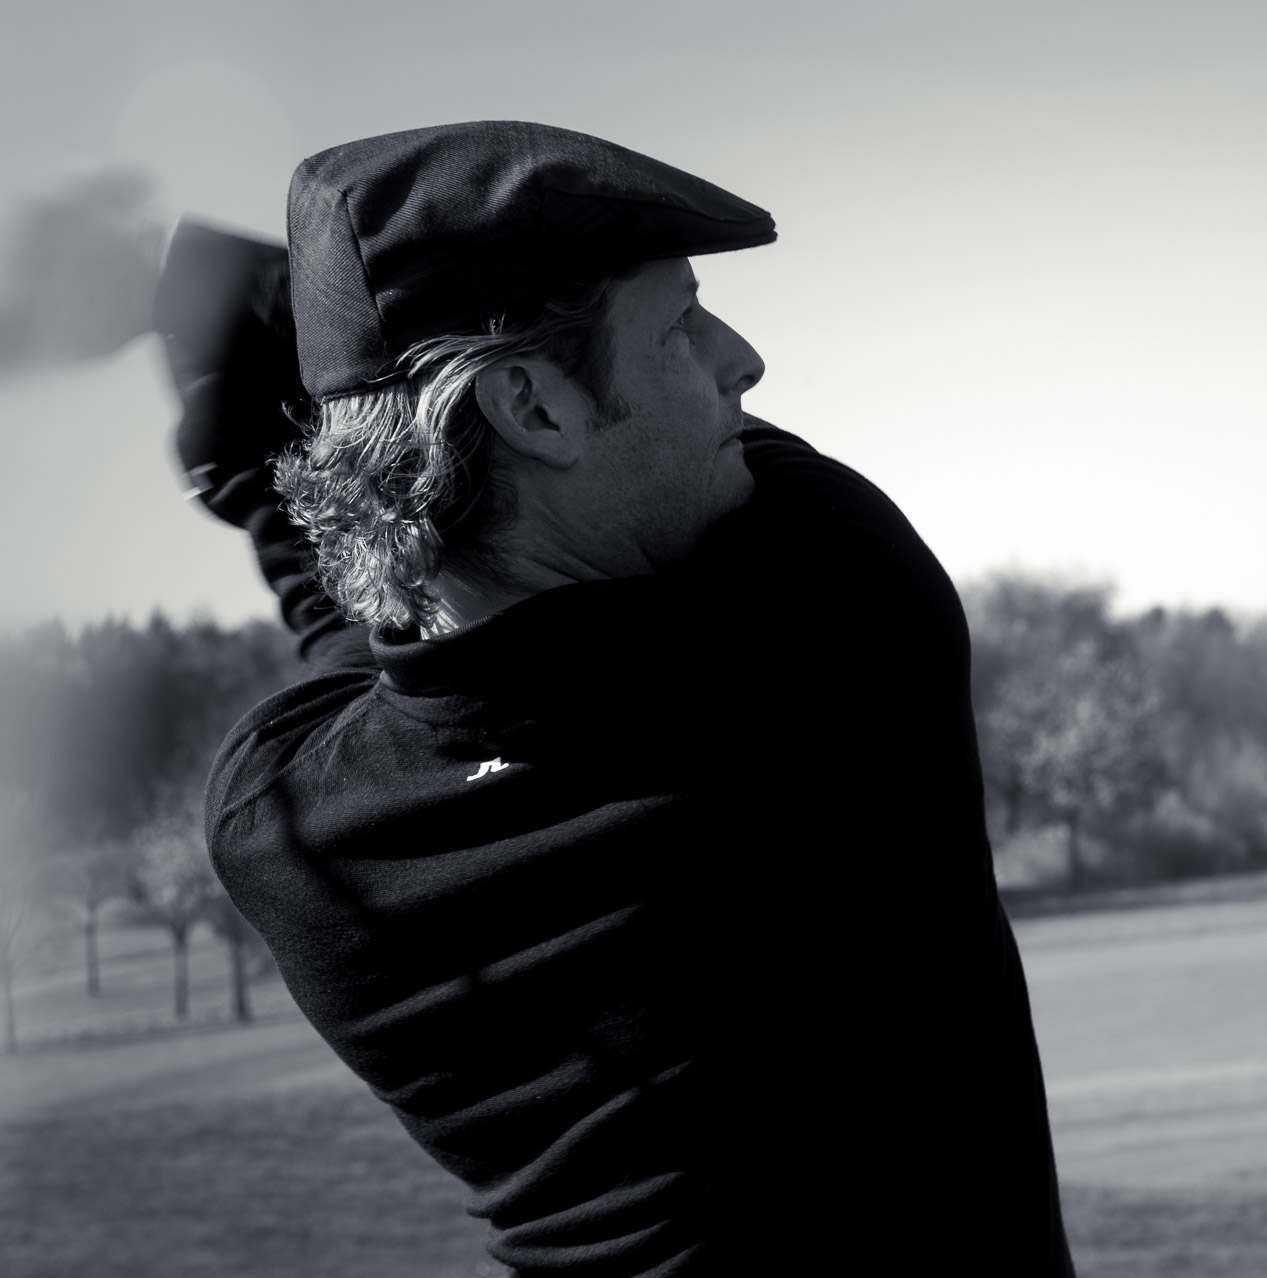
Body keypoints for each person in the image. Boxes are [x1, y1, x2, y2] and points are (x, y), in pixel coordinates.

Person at [152, 121, 1076, 1277]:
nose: (742, 360)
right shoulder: (835, 624)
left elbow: (358, 627)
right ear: (534, 408)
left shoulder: (281, 820)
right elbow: (726, 461)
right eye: (681, 325)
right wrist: (274, 316)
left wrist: (298, 405)